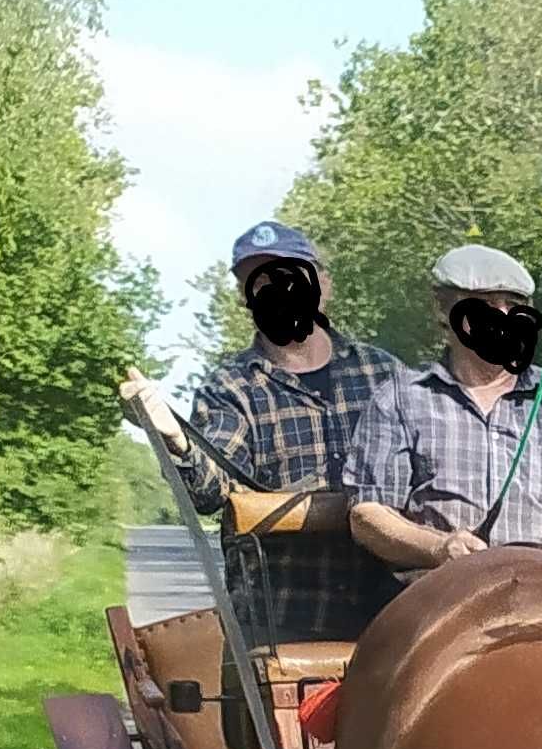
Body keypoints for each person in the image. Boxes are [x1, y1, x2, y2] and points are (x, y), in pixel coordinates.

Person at [122, 219, 403, 643]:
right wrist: (173, 435)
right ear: (245, 299)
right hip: (279, 616)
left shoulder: (386, 374)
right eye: (260, 282)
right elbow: (212, 491)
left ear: (324, 285)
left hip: (393, 610)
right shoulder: (229, 386)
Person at [345, 244, 542, 569]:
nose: (502, 316)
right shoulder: (400, 398)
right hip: (444, 589)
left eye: (513, 305)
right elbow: (368, 514)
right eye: (483, 305)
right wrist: (439, 547)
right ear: (442, 308)